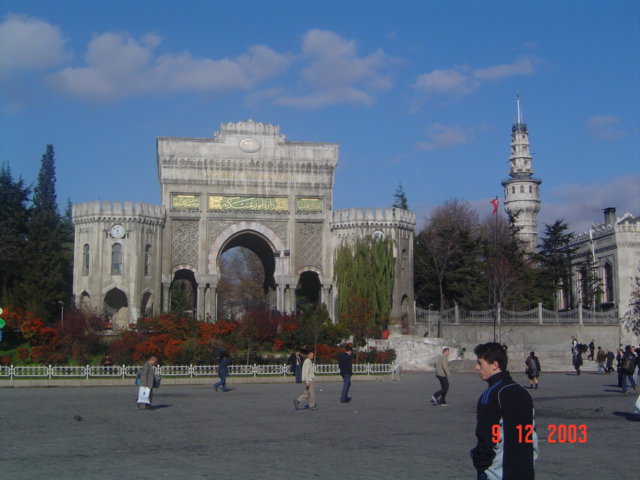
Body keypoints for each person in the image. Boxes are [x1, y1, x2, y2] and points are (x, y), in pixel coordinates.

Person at [471, 342, 537, 480]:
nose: (477, 368)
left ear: (494, 365)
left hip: (498, 473)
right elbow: (531, 434)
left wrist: (481, 463)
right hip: (524, 470)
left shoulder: (491, 394)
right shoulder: (523, 392)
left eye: (480, 363)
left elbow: (487, 436)